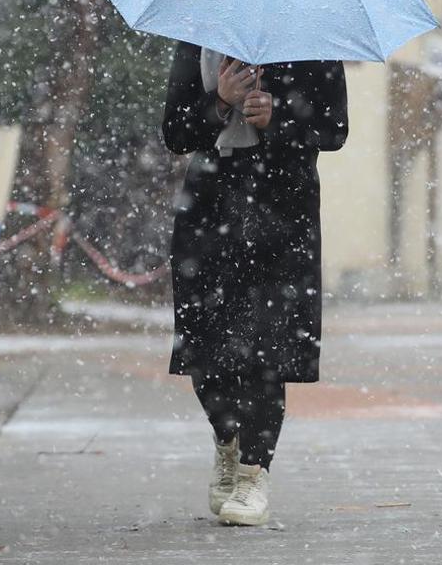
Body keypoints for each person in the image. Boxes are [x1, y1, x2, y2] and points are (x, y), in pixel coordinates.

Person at [161, 40, 348, 526]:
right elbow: (176, 133)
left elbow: (334, 129)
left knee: (267, 350)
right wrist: (219, 101)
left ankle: (253, 473)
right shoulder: (196, 41)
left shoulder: (311, 43)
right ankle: (227, 440)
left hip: (282, 216)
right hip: (209, 212)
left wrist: (277, 118)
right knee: (207, 347)